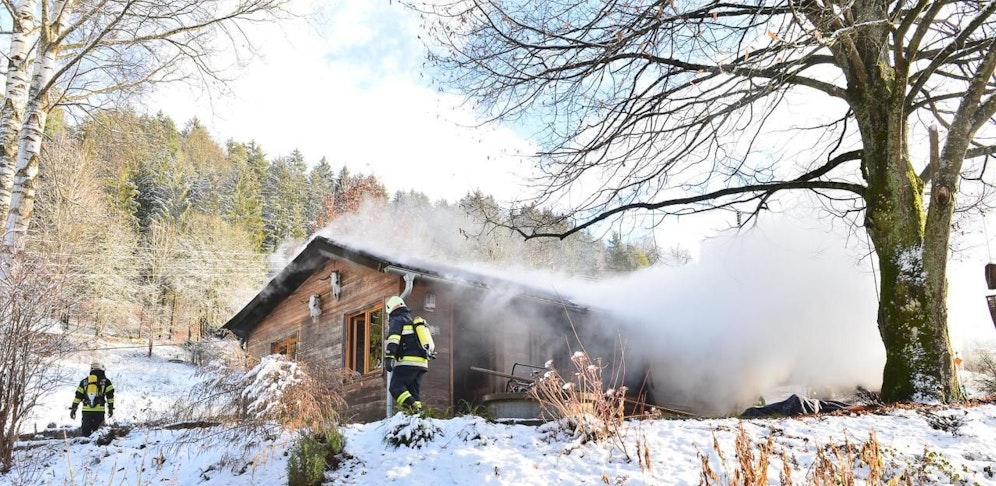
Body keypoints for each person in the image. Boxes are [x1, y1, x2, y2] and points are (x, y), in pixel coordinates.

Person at [384, 296, 434, 413]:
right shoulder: (411, 322)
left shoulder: (397, 319)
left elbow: (393, 339)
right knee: (413, 392)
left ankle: (414, 411)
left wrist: (389, 356)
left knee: (396, 388)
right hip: (422, 363)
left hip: (407, 362)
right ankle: (418, 417)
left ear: (390, 309)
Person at [69, 361, 115, 436]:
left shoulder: (84, 381)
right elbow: (110, 396)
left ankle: (85, 445)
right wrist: (110, 408)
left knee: (86, 432)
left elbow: (78, 397)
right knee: (98, 433)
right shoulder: (106, 382)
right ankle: (95, 446)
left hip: (86, 411)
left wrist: (74, 409)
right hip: (99, 411)